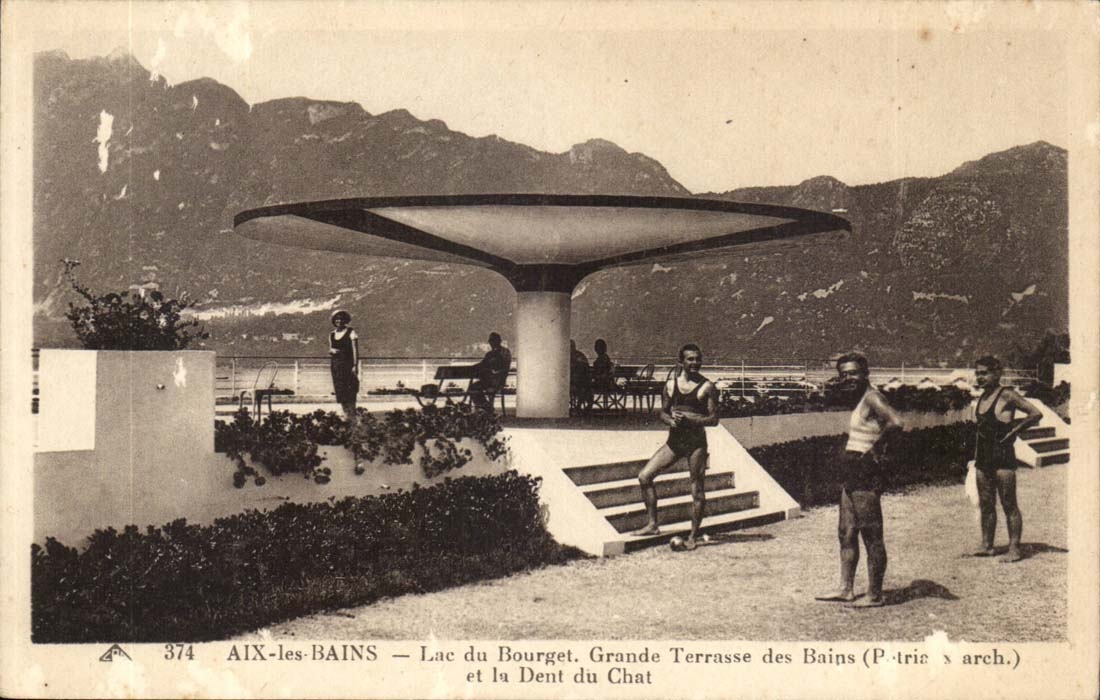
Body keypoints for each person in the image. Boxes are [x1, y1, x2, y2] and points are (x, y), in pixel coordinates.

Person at [815, 352, 903, 608]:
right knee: (846, 532)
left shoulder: (873, 397)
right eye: (843, 374)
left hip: (865, 470)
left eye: (853, 373)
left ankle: (875, 594)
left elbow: (897, 422)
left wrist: (876, 448)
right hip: (852, 469)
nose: (848, 378)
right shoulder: (860, 398)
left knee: (871, 534)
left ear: (865, 373)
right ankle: (846, 589)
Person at [632, 343, 719, 548]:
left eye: (698, 359)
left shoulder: (707, 387)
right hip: (675, 442)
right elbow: (662, 412)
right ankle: (653, 524)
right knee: (644, 476)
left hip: (696, 444)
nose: (695, 363)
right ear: (681, 362)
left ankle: (693, 536)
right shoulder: (671, 385)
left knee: (697, 490)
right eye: (690, 359)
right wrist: (670, 420)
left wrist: (691, 420)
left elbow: (714, 419)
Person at [972, 356, 1042, 562]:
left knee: (1009, 503)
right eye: (977, 373)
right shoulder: (982, 398)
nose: (980, 377)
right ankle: (987, 545)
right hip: (983, 457)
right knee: (985, 503)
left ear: (997, 373)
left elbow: (1035, 413)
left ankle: (1014, 548)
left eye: (984, 373)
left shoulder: (1007, 395)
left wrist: (1015, 431)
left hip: (1003, 457)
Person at [328, 310, 360, 421]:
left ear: (345, 320)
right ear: (334, 321)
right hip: (336, 366)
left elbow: (355, 350)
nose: (339, 321)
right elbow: (331, 348)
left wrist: (355, 365)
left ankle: (352, 416)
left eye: (341, 318)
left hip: (348, 366)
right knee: (340, 391)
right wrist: (331, 351)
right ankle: (346, 416)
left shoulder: (351, 332)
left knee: (350, 391)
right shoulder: (332, 334)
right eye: (337, 319)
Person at [469, 332, 511, 412]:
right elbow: (483, 364)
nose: (491, 343)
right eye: (491, 341)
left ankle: (485, 407)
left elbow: (501, 367)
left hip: (495, 381)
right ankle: (485, 406)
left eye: (493, 341)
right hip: (492, 380)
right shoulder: (494, 353)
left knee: (474, 388)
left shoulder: (500, 353)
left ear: (498, 341)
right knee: (474, 387)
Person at [570, 340, 592, 411]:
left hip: (578, 380)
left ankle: (579, 405)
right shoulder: (579, 355)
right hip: (583, 379)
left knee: (581, 387)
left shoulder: (572, 356)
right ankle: (581, 405)